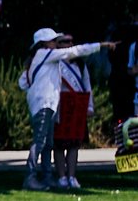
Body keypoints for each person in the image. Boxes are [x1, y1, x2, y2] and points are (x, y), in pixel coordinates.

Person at [20, 28, 103, 191]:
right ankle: (30, 177)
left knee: (48, 143)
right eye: (54, 41)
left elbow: (22, 83)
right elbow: (76, 50)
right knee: (40, 141)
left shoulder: (44, 59)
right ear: (43, 44)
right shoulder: (44, 54)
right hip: (44, 103)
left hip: (50, 104)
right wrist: (101, 45)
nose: (56, 44)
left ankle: (46, 177)